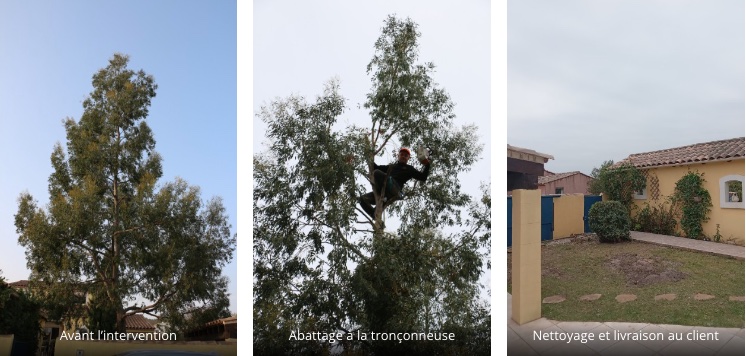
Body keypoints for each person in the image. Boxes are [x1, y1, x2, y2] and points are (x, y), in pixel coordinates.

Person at [358, 147, 431, 219]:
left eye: (406, 156)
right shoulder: (392, 166)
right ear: (398, 156)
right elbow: (375, 167)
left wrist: (427, 165)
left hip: (395, 189)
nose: (403, 156)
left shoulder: (409, 169)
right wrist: (367, 155)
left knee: (377, 173)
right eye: (402, 154)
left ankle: (384, 197)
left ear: (408, 158)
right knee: (362, 199)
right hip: (384, 191)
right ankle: (375, 216)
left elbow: (423, 177)